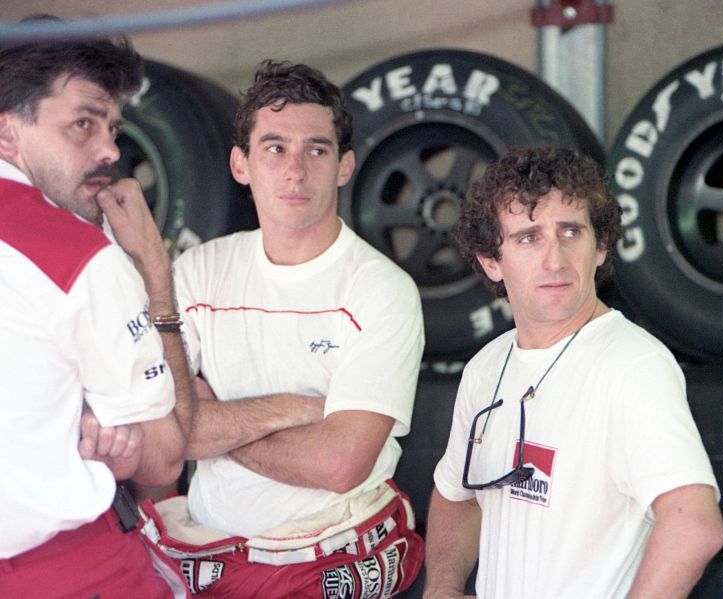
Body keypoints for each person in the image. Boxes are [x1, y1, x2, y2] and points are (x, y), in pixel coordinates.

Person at [140, 60, 425, 598]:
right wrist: (294, 410)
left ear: (344, 166)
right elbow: (167, 435)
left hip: (334, 552)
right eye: (274, 148)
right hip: (209, 553)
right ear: (240, 164)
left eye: (315, 150)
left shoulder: (381, 290)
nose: (295, 170)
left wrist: (212, 429)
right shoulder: (198, 272)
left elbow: (339, 464)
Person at [423, 146, 723, 599]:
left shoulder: (634, 365)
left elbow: (694, 526)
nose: (555, 260)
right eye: (528, 237)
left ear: (600, 246)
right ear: (491, 261)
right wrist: (442, 588)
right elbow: (457, 494)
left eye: (570, 232)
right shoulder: (487, 366)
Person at [0, 17, 194, 599]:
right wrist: (153, 271)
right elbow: (163, 459)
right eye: (82, 123)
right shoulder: (81, 257)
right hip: (68, 572)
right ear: (7, 132)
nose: (110, 149)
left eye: (110, 126)